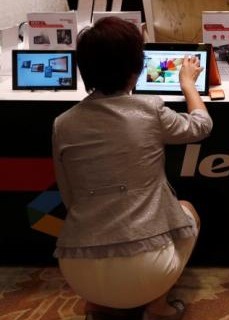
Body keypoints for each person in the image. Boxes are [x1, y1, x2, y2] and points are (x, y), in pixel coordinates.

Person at [51, 17, 213, 320]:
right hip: (147, 271)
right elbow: (201, 126)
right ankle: (157, 307)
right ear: (136, 67)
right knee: (188, 210)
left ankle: (98, 305)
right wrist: (188, 83)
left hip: (78, 270)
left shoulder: (63, 123)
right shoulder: (149, 109)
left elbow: (69, 196)